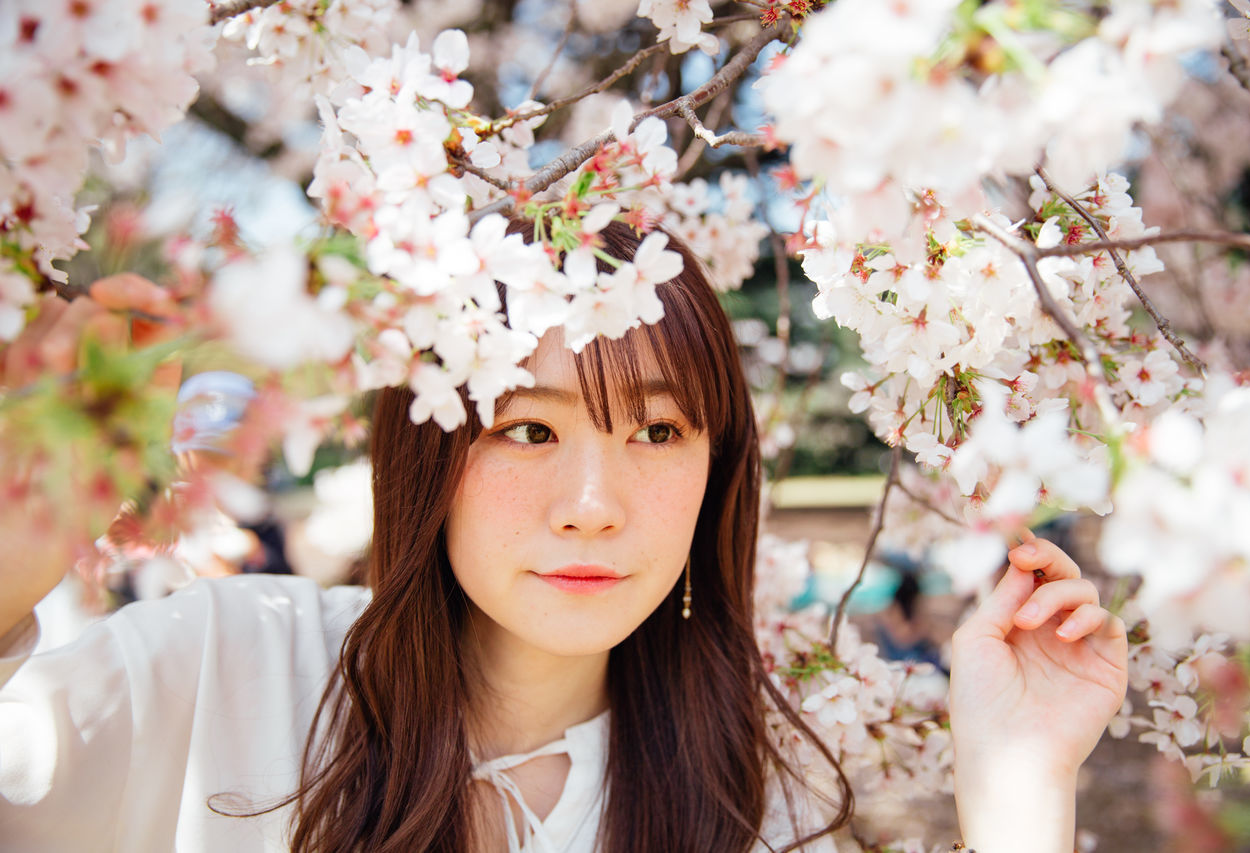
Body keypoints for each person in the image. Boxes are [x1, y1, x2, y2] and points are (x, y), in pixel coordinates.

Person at [0, 223, 1128, 852]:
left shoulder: (758, 802)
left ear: (715, 471)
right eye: (526, 426)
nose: (593, 500)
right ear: (426, 449)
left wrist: (1019, 777)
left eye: (657, 429)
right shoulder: (227, 665)